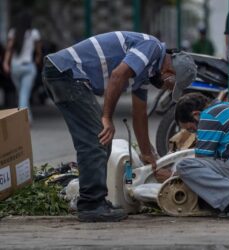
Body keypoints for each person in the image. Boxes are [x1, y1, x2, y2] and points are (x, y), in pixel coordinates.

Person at [42, 31, 197, 222]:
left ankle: (94, 200)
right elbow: (117, 76)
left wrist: (147, 152)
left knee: (100, 140)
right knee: (98, 138)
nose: (166, 88)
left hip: (64, 73)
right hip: (66, 72)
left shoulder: (147, 69)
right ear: (170, 74)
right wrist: (107, 118)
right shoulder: (152, 47)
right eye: (170, 86)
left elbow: (139, 114)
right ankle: (91, 205)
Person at [3, 11, 42, 122]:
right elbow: (39, 51)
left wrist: (6, 63)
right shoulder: (34, 33)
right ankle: (25, 119)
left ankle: (27, 118)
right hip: (28, 67)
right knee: (24, 94)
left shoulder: (13, 32)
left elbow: (9, 49)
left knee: (21, 93)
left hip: (15, 67)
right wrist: (37, 59)